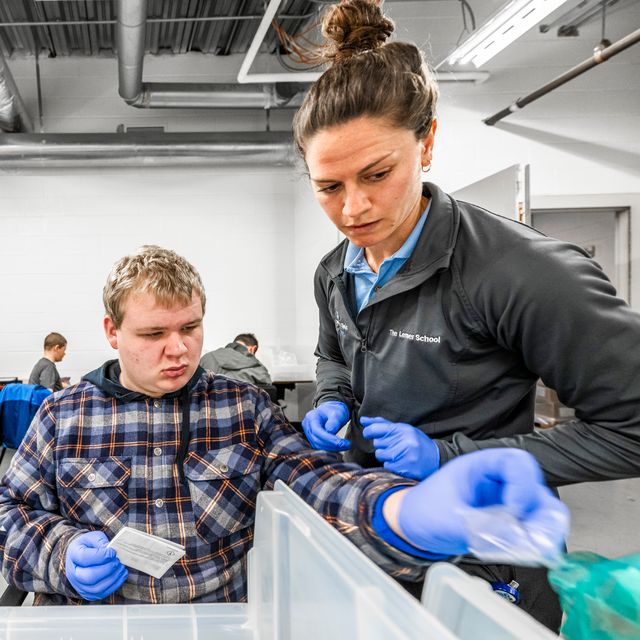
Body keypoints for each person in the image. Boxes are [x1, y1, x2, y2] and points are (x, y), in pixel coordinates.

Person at [294, 0, 640, 630]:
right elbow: (333, 356)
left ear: (426, 141)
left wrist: (450, 457)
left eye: (376, 174)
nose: (354, 208)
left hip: (488, 565)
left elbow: (633, 426)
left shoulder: (523, 274)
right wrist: (332, 399)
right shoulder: (334, 270)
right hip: (376, 539)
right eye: (329, 186)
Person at [0, 245, 567, 606]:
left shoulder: (242, 407)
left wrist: (403, 514)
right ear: (111, 331)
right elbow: (11, 514)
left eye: (191, 328)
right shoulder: (62, 415)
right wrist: (61, 554)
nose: (179, 350)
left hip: (220, 620)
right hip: (99, 625)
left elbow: (314, 481)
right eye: (153, 335)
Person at [200, 333, 272, 386]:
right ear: (253, 349)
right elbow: (268, 390)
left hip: (208, 405)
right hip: (245, 406)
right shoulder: (257, 367)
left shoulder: (206, 358)